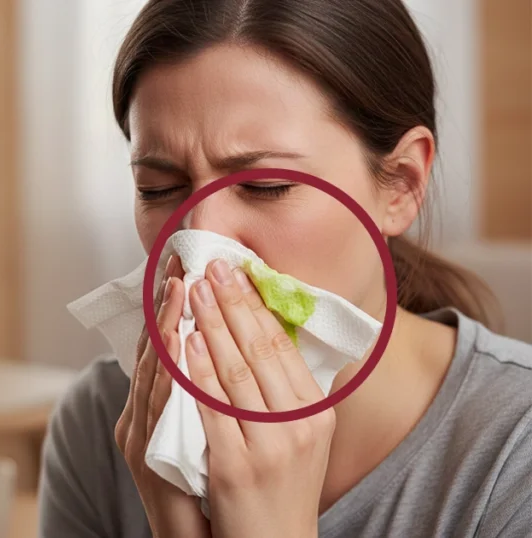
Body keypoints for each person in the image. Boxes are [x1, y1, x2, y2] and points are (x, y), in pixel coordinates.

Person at [37, 1, 532, 537]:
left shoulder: (514, 457)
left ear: (402, 185)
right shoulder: (103, 425)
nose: (201, 244)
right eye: (159, 189)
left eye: (266, 186)